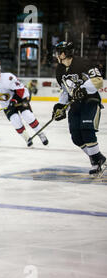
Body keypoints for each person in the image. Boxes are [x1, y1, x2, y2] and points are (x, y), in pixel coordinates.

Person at [52, 41, 105, 177]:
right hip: (75, 105)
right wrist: (60, 106)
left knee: (86, 130)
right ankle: (99, 158)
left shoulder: (83, 63)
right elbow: (65, 90)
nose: (56, 55)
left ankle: (96, 163)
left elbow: (98, 80)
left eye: (58, 52)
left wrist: (82, 89)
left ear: (63, 54)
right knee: (76, 136)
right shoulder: (59, 69)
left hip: (90, 101)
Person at [0, 62, 48, 147]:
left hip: (20, 98)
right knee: (15, 120)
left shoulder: (8, 78)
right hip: (6, 103)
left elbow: (20, 90)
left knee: (27, 115)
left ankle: (41, 134)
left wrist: (14, 100)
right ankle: (26, 138)